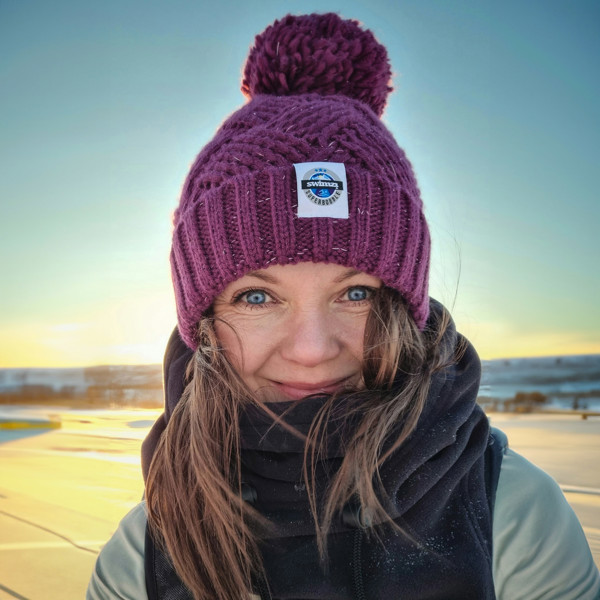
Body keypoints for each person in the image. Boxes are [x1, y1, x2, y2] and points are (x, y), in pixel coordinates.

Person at [87, 13, 600, 600]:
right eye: (258, 297)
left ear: (405, 312)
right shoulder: (147, 554)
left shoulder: (512, 516)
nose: (312, 349)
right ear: (203, 327)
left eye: (355, 293)